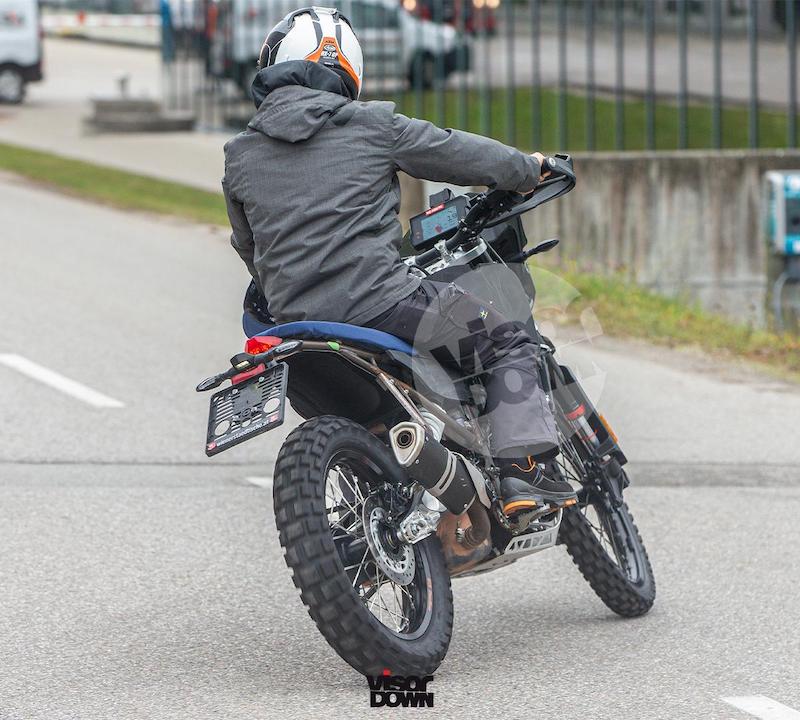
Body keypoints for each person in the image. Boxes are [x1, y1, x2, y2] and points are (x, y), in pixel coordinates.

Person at [222, 6, 577, 515]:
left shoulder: (241, 154)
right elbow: (458, 153)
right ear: (346, 67)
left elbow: (250, 248)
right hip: (382, 304)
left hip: (293, 328)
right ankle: (524, 474)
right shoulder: (371, 125)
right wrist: (528, 168)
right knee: (508, 343)